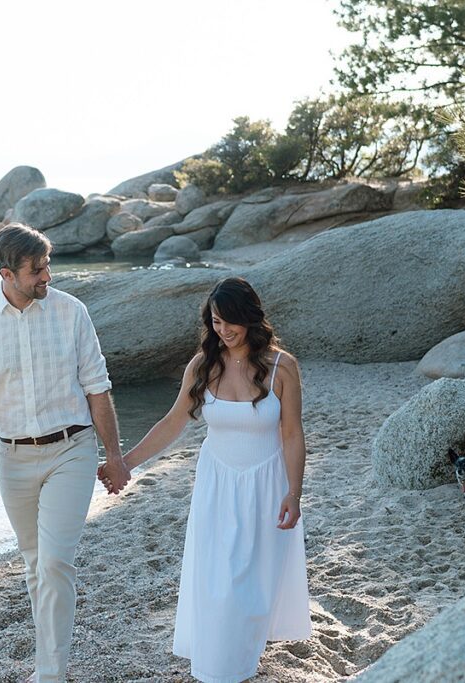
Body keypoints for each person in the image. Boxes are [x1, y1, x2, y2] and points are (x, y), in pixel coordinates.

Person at [99, 276, 311, 683]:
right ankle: (220, 668)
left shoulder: (283, 367)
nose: (224, 331)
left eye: (231, 321)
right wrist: (125, 463)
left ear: (250, 318)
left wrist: (294, 492)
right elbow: (173, 421)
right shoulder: (203, 366)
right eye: (216, 322)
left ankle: (240, 659)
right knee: (219, 579)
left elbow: (292, 433)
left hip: (265, 484)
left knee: (253, 582)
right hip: (217, 485)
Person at [0, 223, 130, 683]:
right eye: (37, 270)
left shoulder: (72, 313)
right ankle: (47, 662)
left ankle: (50, 674)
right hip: (13, 458)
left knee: (55, 561)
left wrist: (114, 455)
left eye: (48, 265)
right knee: (36, 566)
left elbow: (97, 388)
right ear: (6, 273)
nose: (47, 277)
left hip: (71, 449)